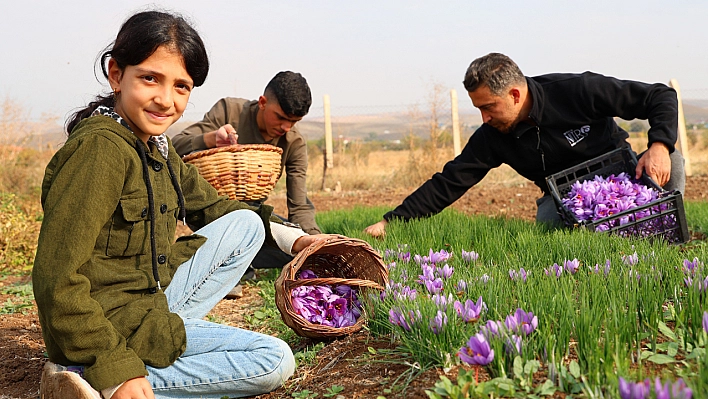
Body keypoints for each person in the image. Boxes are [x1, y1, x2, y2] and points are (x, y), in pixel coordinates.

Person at [34, 10, 337, 399]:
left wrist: (297, 240)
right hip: (105, 323)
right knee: (274, 359)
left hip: (146, 301)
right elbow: (55, 278)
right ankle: (90, 376)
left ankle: (114, 367)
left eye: (182, 86)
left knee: (245, 223)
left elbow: (213, 207)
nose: (166, 99)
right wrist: (116, 369)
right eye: (150, 78)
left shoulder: (154, 146)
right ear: (116, 74)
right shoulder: (101, 150)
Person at [364, 52, 685, 237]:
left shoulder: (576, 90)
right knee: (548, 226)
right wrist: (392, 221)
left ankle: (664, 229)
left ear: (515, 95)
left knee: (675, 161)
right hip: (566, 199)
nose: (484, 117)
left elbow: (659, 96)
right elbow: (450, 181)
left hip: (622, 176)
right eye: (478, 108)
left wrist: (658, 144)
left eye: (488, 106)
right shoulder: (493, 136)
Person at [172, 72, 319, 294]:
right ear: (262, 103)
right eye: (280, 117)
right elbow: (175, 146)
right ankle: (229, 265)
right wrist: (211, 139)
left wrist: (312, 242)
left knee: (295, 243)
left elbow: (298, 203)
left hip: (256, 219)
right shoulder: (228, 111)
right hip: (212, 214)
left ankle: (232, 262)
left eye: (294, 121)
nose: (286, 127)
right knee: (241, 230)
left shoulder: (294, 142)